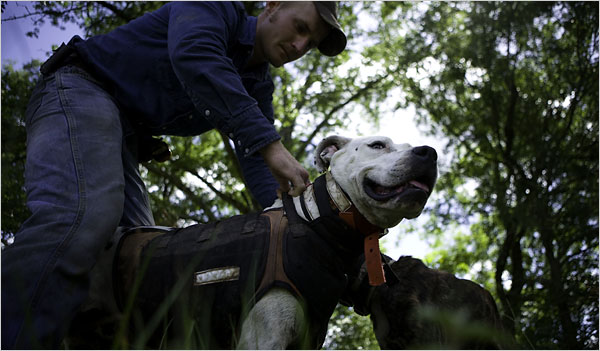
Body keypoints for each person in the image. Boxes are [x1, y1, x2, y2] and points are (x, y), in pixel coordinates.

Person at [1, 2, 347, 348]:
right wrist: (270, 145)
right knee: (81, 218)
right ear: (273, 5)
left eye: (311, 44)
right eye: (301, 28)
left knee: (141, 263)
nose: (301, 47)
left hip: (127, 137)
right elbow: (195, 55)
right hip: (78, 88)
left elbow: (258, 165)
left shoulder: (257, 86)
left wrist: (303, 220)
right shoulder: (214, 8)